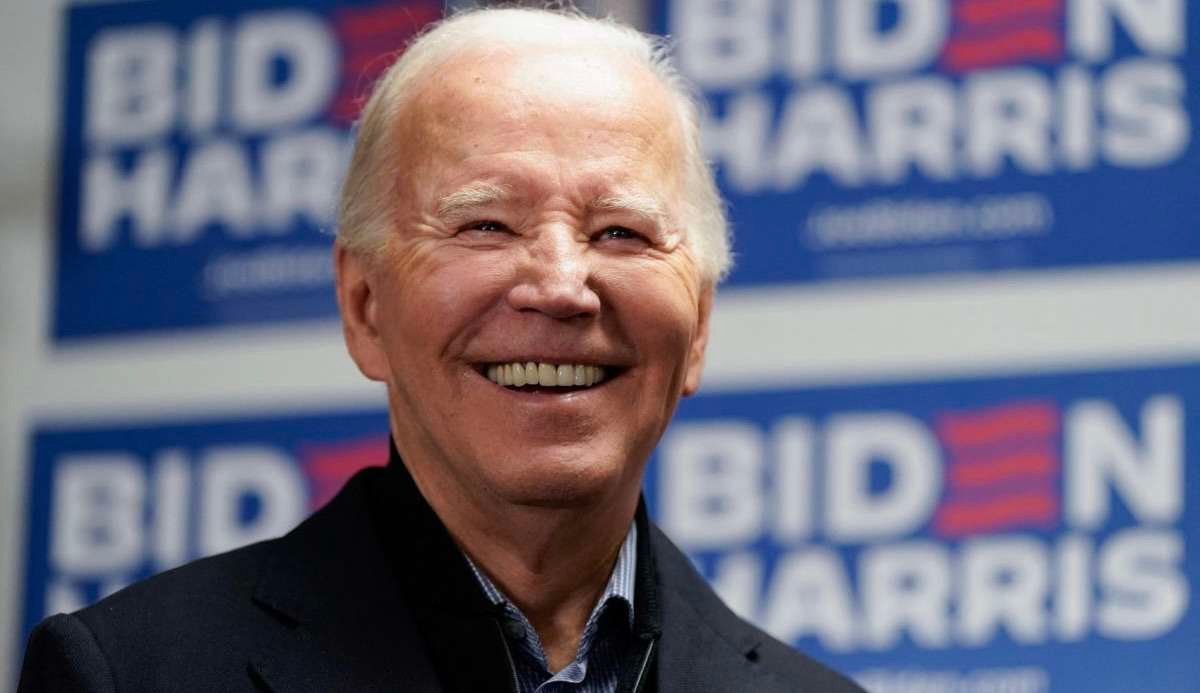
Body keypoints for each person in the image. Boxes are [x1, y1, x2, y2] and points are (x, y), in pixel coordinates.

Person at [19, 8, 865, 692]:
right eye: (486, 225)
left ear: (700, 328)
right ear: (364, 304)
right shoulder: (131, 671)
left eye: (622, 231)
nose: (562, 286)